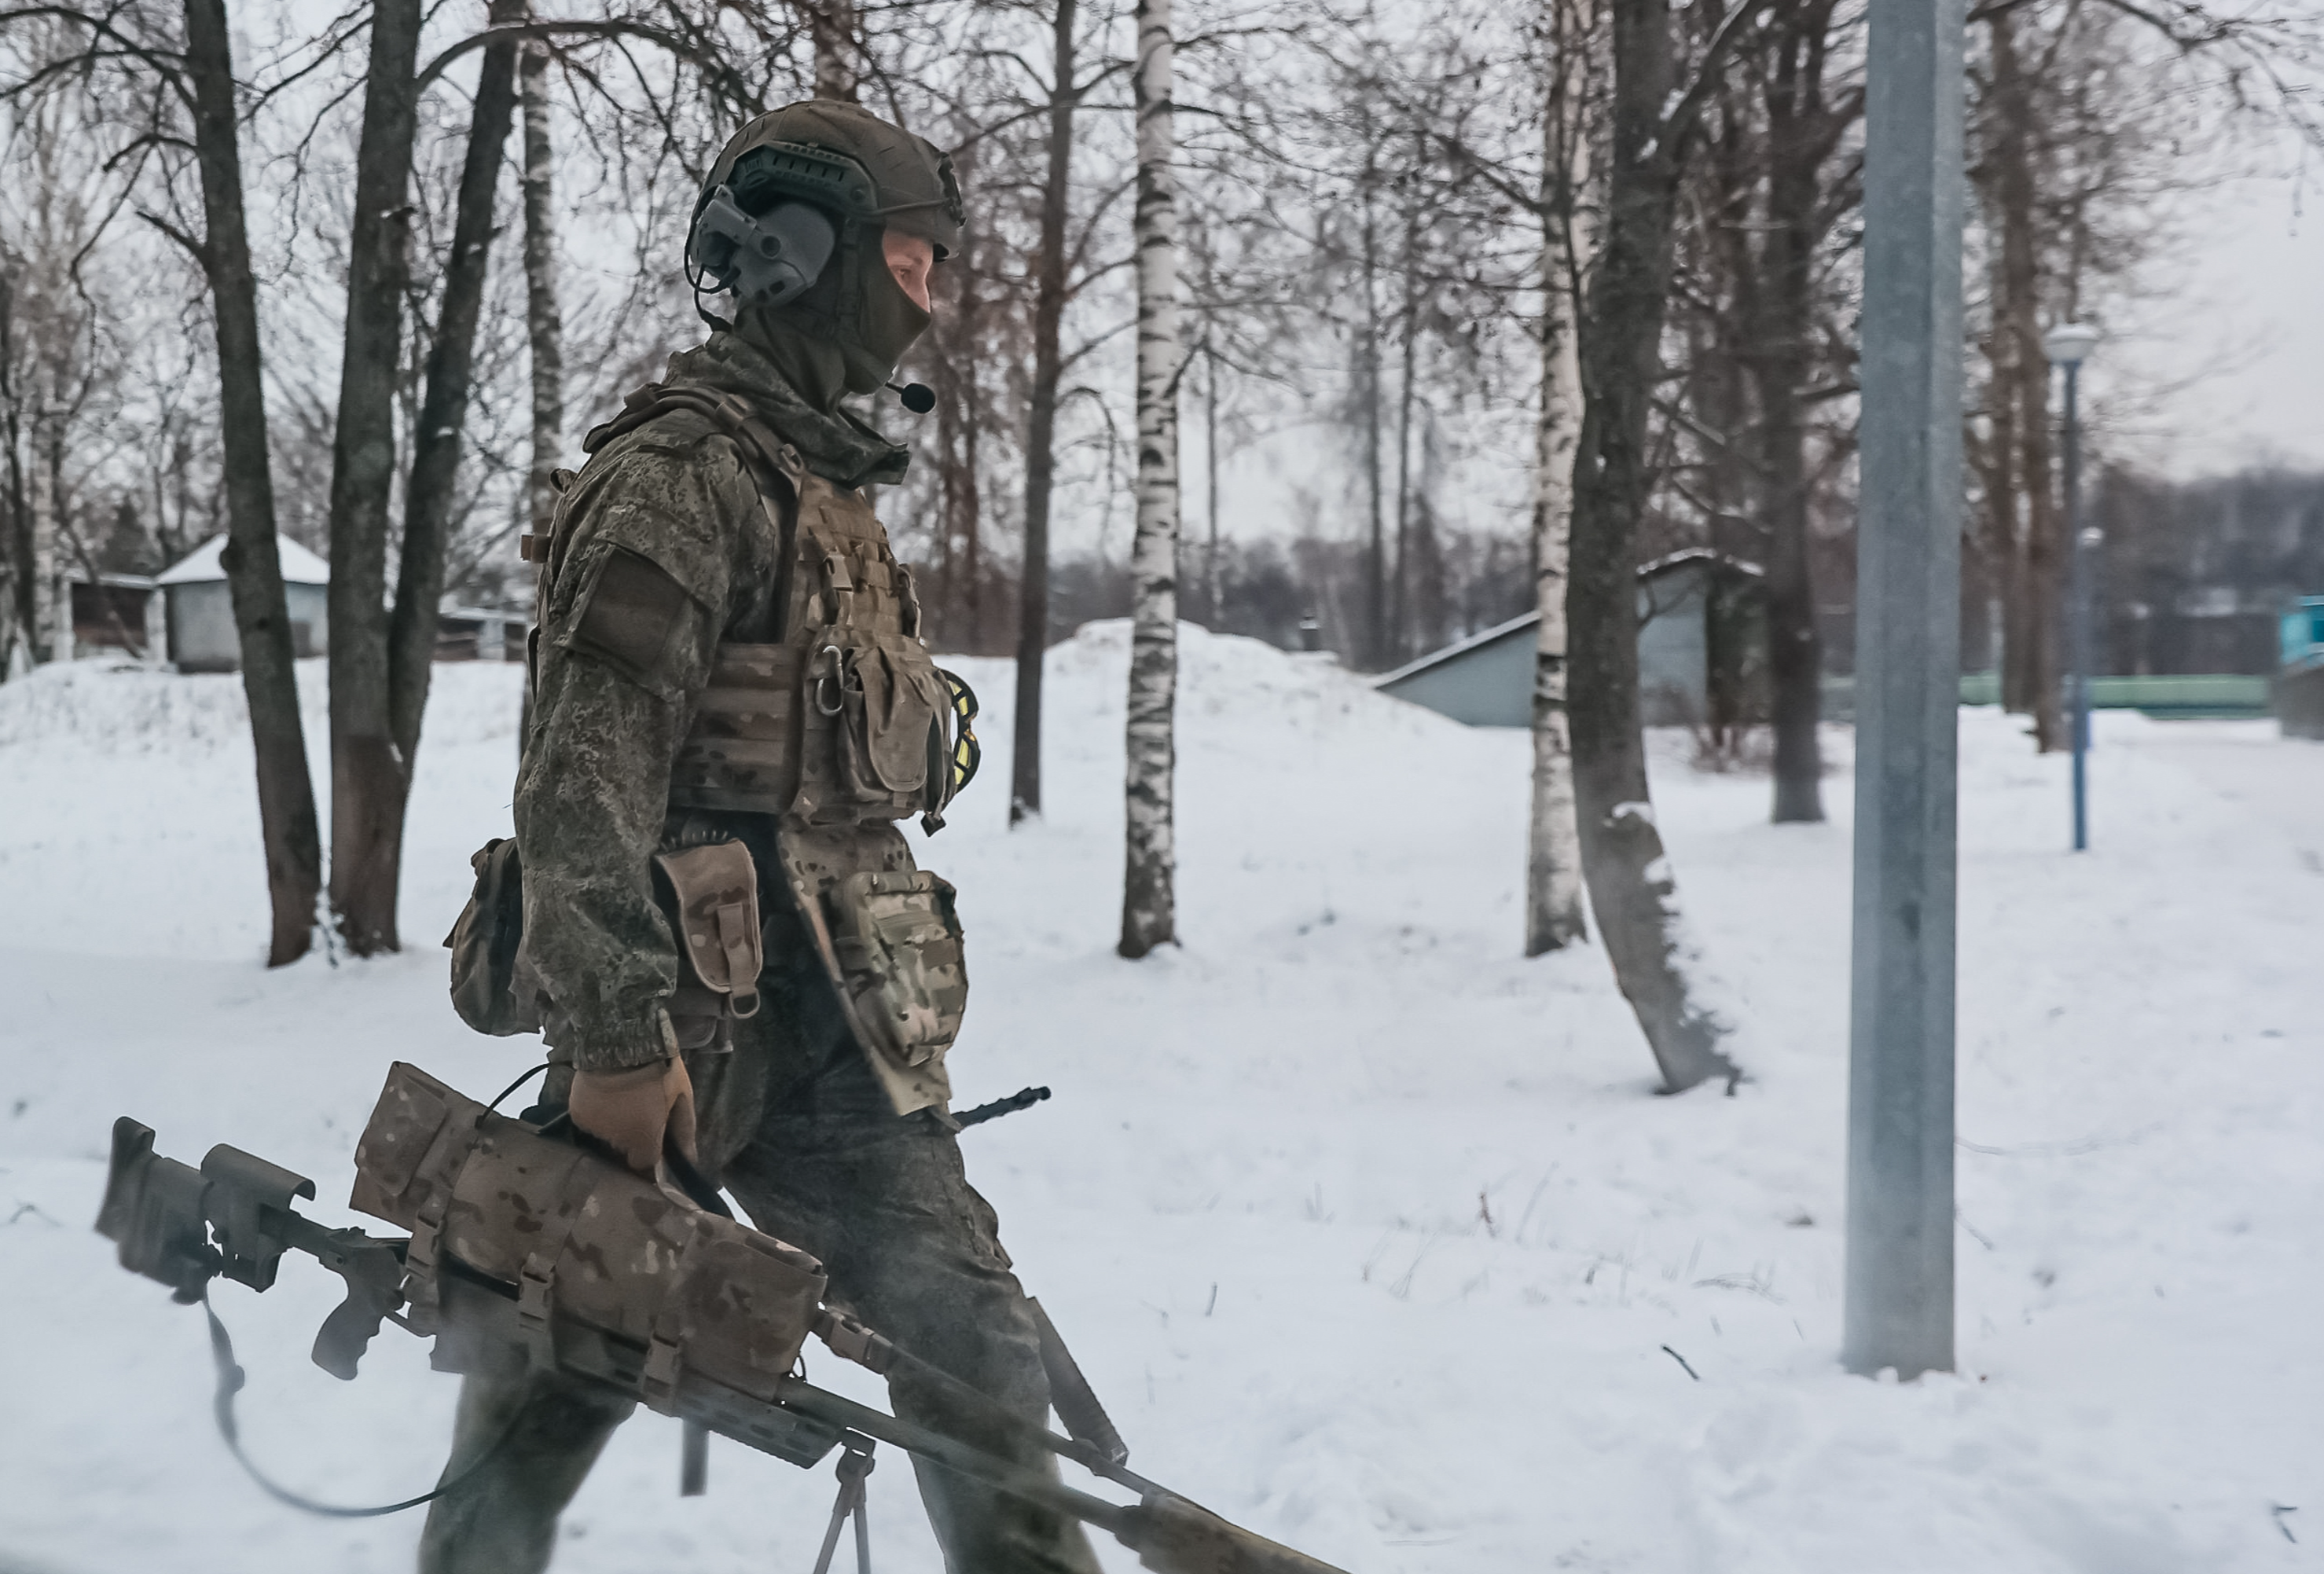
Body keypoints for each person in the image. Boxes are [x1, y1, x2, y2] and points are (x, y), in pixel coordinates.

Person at [419, 100, 1101, 1574]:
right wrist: (610, 1041)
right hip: (682, 1031)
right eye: (910, 264)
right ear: (805, 257)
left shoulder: (825, 493)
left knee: (977, 1350)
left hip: (842, 1040)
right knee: (562, 1365)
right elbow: (579, 781)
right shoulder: (682, 477)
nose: (925, 301)